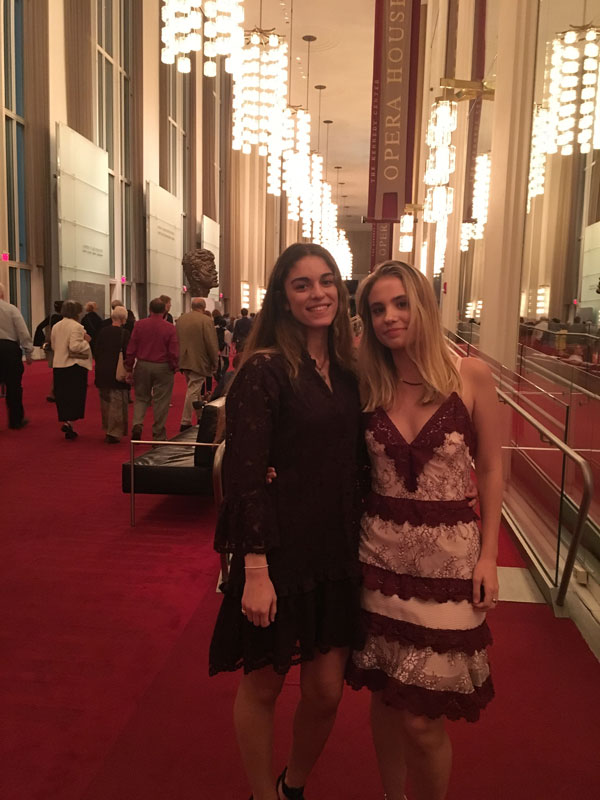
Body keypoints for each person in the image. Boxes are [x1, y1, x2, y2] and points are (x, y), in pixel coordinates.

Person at [209, 243, 364, 800]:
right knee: (265, 684)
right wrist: (254, 567)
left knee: (326, 691)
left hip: (336, 552)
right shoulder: (263, 371)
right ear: (283, 297)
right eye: (302, 285)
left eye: (326, 282)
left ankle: (291, 785)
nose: (317, 293)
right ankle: (260, 794)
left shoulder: (349, 371)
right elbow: (247, 476)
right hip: (277, 554)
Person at [346, 261, 502, 800]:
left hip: (451, 565)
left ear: (423, 305)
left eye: (400, 303)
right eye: (377, 308)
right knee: (387, 696)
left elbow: (493, 468)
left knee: (422, 720)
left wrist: (489, 557)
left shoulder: (471, 376)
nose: (390, 317)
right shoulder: (367, 380)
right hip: (379, 562)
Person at [125, 297, 179, 441]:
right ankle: (158, 433)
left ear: (149, 310)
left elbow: (131, 348)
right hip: (163, 366)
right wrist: (174, 366)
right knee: (161, 400)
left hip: (142, 364)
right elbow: (173, 351)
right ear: (164, 311)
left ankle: (137, 423)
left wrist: (129, 367)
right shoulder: (169, 328)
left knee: (141, 398)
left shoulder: (139, 325)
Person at [176, 297, 219, 431]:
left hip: (184, 358)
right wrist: (215, 361)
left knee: (194, 390)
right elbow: (211, 343)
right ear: (204, 307)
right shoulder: (206, 320)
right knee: (193, 389)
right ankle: (185, 421)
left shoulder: (181, 319)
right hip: (199, 360)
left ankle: (200, 416)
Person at [51, 300, 92, 440]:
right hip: (73, 366)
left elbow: (54, 345)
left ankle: (68, 423)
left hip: (58, 365)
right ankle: (70, 423)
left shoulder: (56, 326)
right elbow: (75, 347)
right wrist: (87, 341)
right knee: (75, 397)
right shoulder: (77, 327)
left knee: (63, 397)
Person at [94, 305, 130, 443]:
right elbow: (128, 353)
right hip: (116, 370)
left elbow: (96, 350)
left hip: (102, 369)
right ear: (123, 318)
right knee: (117, 401)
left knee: (105, 401)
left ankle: (107, 427)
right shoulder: (124, 333)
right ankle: (113, 431)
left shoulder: (103, 331)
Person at [0, 282, 34, 429]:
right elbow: (22, 331)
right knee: (14, 386)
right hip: (9, 350)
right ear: (2, 294)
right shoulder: (11, 309)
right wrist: (28, 351)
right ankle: (15, 420)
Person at [34, 300, 64, 402]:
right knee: (60, 369)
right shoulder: (65, 319)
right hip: (62, 346)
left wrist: (41, 341)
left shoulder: (51, 317)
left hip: (51, 345)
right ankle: (54, 392)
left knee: (56, 369)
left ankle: (54, 391)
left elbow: (39, 327)